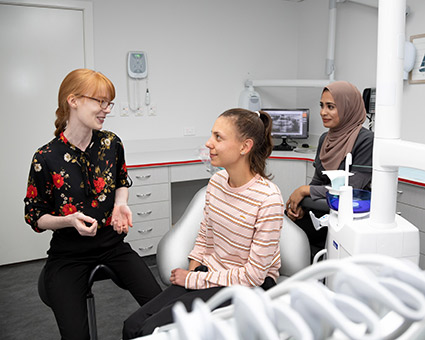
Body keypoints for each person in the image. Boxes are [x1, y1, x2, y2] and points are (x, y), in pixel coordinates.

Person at [24, 68, 162, 340]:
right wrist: (68, 220)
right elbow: (34, 216)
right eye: (100, 101)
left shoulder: (111, 143)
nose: (106, 109)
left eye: (109, 102)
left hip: (113, 246)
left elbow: (121, 180)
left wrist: (120, 204)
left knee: (160, 314)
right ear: (73, 101)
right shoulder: (46, 157)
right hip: (69, 255)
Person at [122, 108, 284, 339]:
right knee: (132, 325)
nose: (209, 143)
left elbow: (254, 276)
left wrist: (194, 280)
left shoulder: (268, 199)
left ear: (244, 147)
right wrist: (190, 278)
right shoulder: (217, 182)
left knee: (150, 331)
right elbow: (205, 237)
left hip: (248, 287)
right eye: (212, 135)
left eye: (218, 137)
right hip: (213, 274)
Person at [285, 81, 374, 250]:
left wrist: (305, 191)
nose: (323, 112)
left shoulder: (366, 140)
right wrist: (303, 207)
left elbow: (352, 189)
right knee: (285, 224)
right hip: (324, 209)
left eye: (330, 107)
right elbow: (318, 179)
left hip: (350, 215)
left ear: (348, 108)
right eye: (322, 105)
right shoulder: (325, 139)